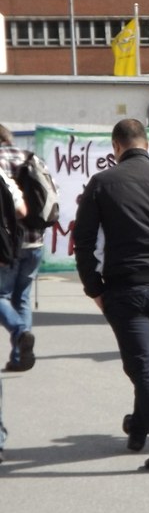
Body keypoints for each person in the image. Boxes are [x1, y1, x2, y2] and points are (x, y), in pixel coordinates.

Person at [73, 119, 149, 471]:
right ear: (146, 143)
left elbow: (83, 241)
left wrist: (93, 287)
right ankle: (138, 429)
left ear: (116, 147)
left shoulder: (102, 183)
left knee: (143, 368)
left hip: (126, 287)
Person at [0, 125, 41, 372]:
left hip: (7, 243)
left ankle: (20, 331)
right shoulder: (31, 158)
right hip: (35, 239)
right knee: (22, 298)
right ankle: (20, 357)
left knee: (2, 295)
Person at [0, 165, 29, 463]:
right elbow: (20, 209)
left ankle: (20, 333)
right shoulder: (3, 174)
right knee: (18, 295)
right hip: (10, 251)